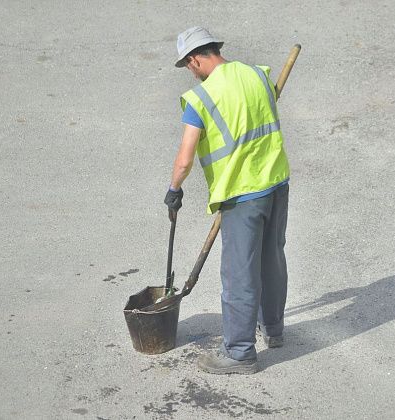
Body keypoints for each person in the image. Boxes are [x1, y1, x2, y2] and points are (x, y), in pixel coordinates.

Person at [163, 26, 290, 374]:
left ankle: (238, 352)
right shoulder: (257, 75)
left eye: (189, 67)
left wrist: (174, 190)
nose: (192, 74)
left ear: (194, 60)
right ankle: (274, 330)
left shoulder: (200, 99)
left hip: (241, 195)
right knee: (271, 257)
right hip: (277, 182)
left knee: (239, 273)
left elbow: (185, 158)